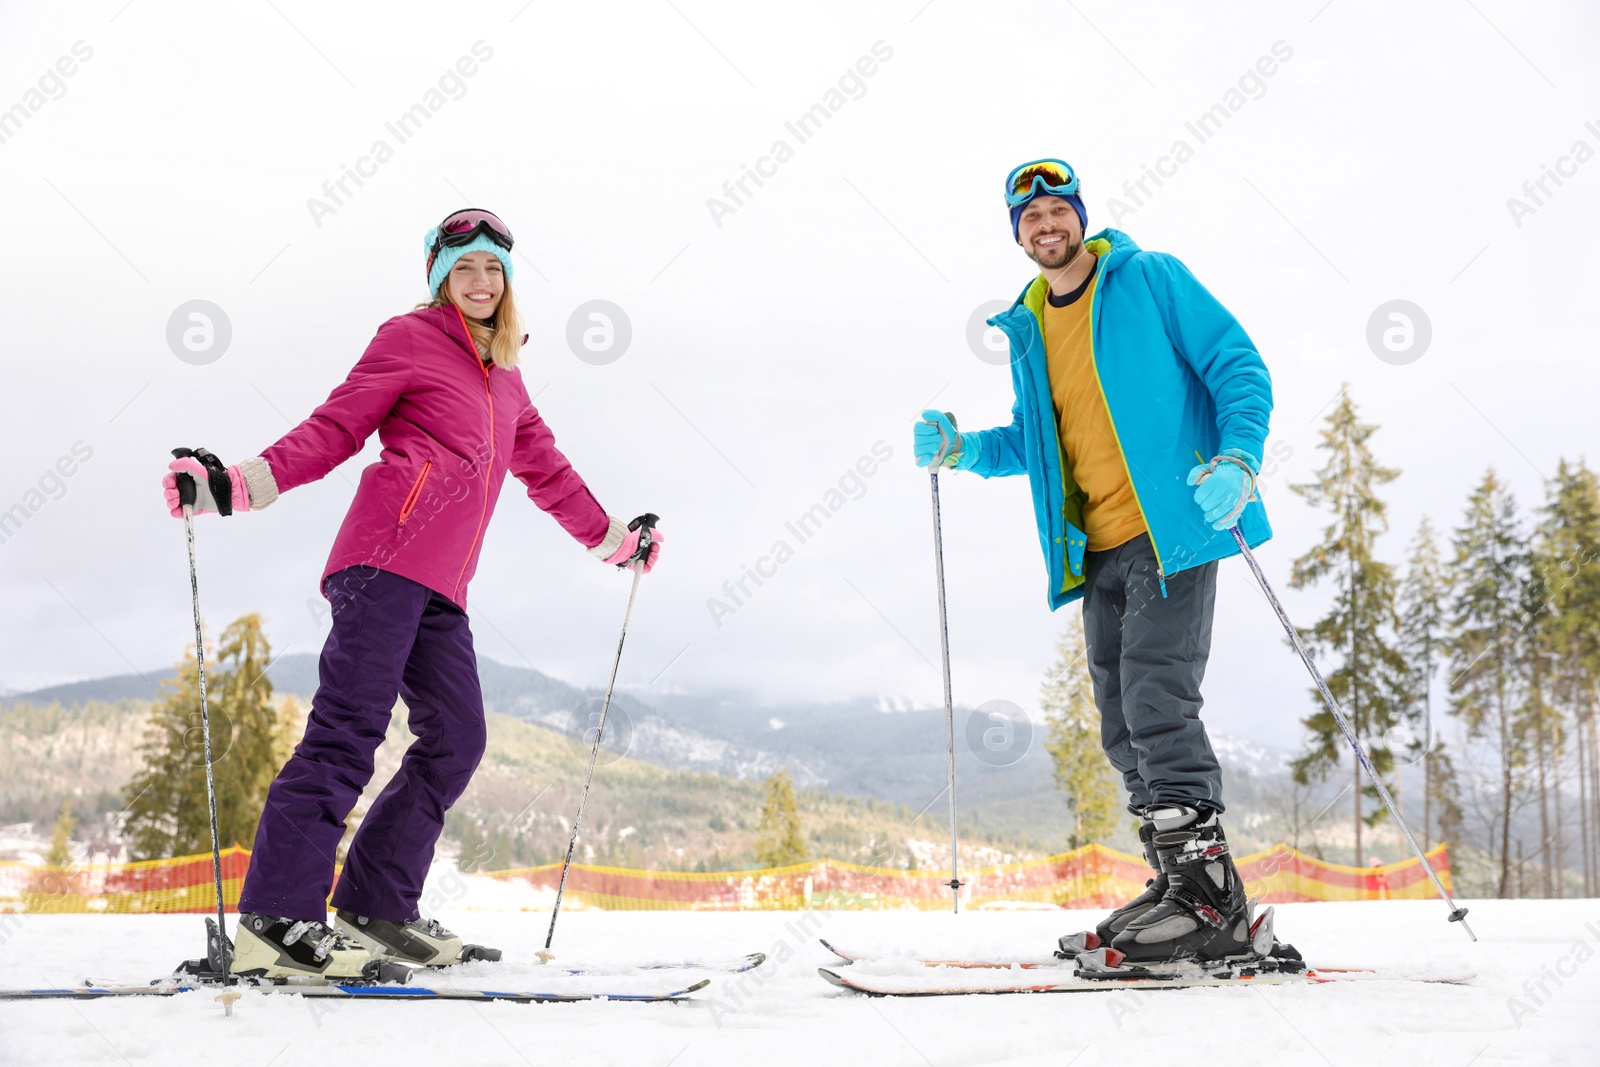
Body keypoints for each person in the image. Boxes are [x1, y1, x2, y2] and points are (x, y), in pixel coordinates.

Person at [161, 208, 662, 980]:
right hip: (381, 562)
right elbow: (334, 427)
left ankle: (376, 906)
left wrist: (616, 541)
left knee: (458, 739)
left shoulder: (507, 378)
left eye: (493, 268)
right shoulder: (409, 338)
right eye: (464, 268)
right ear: (439, 278)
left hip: (442, 588)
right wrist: (232, 486)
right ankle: (277, 921)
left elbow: (548, 472)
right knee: (347, 733)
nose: (481, 281)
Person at [913, 160, 1273, 967]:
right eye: (1029, 217)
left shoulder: (1148, 278)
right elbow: (1036, 445)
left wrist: (1240, 458)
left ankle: (1210, 901)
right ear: (1017, 234)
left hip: (1174, 525)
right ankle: (1181, 878)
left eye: (1056, 210)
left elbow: (1237, 366)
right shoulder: (1032, 326)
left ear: (1080, 215)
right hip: (1097, 545)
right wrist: (964, 448)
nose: (1046, 225)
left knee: (1157, 695)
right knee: (1119, 717)